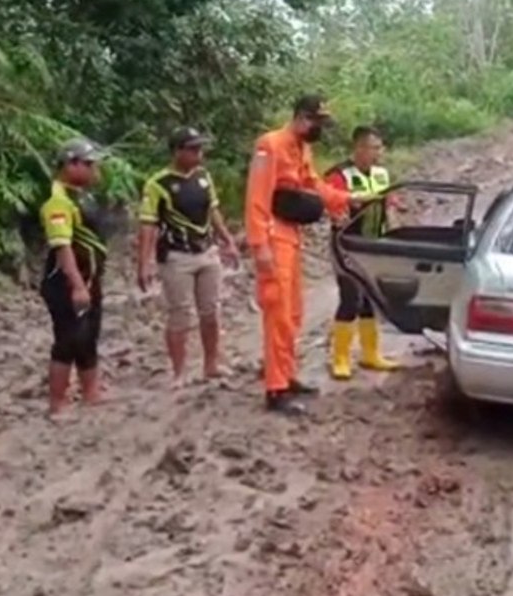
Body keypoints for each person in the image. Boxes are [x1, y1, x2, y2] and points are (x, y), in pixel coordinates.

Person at [244, 94, 368, 416]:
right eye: (316, 122)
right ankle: (275, 388)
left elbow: (314, 184)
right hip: (273, 236)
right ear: (301, 117)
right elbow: (257, 198)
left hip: (291, 235)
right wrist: (260, 246)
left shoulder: (303, 148)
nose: (319, 129)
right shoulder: (269, 146)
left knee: (294, 312)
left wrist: (347, 198)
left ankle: (287, 375)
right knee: (278, 312)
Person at [137, 127, 239, 386]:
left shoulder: (203, 176)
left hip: (207, 251)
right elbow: (148, 224)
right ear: (177, 151)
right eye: (193, 149)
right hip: (176, 256)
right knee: (180, 314)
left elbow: (213, 212)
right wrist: (144, 262)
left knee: (211, 311)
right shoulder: (158, 184)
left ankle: (211, 364)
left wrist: (228, 240)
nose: (198, 153)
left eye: (200, 148)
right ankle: (179, 372)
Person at [324, 126, 402, 380]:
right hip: (347, 245)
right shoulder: (338, 175)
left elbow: (391, 207)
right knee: (351, 297)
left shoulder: (382, 174)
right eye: (373, 148)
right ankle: (341, 358)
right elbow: (332, 206)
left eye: (380, 148)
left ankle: (371, 354)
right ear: (358, 148)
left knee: (371, 299)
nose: (378, 153)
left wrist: (395, 236)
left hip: (374, 245)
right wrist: (343, 210)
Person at [38, 138, 108, 417]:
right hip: (66, 281)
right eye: (89, 164)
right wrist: (77, 285)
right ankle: (57, 403)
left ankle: (91, 393)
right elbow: (62, 246)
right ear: (71, 165)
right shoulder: (58, 202)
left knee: (89, 336)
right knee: (68, 338)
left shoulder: (82, 197)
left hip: (90, 278)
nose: (94, 170)